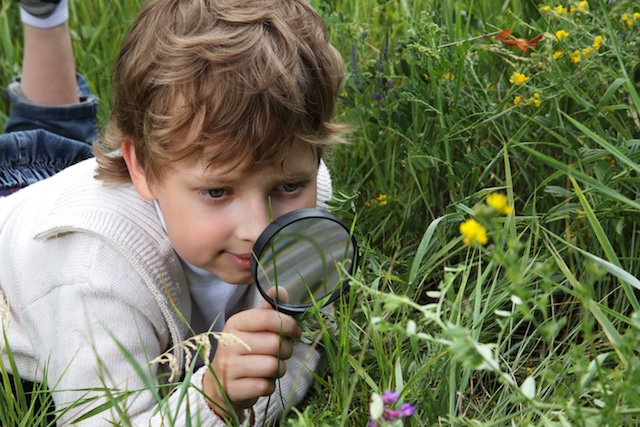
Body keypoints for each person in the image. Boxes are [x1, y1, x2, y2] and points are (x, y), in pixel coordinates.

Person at [0, 0, 346, 425]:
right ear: (141, 168)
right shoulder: (94, 273)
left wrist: (274, 367)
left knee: (61, 136)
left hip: (74, 182)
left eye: (288, 186)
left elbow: (310, 341)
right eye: (218, 191)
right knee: (39, 146)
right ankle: (43, 16)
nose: (259, 229)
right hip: (27, 238)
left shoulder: (305, 206)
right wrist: (216, 400)